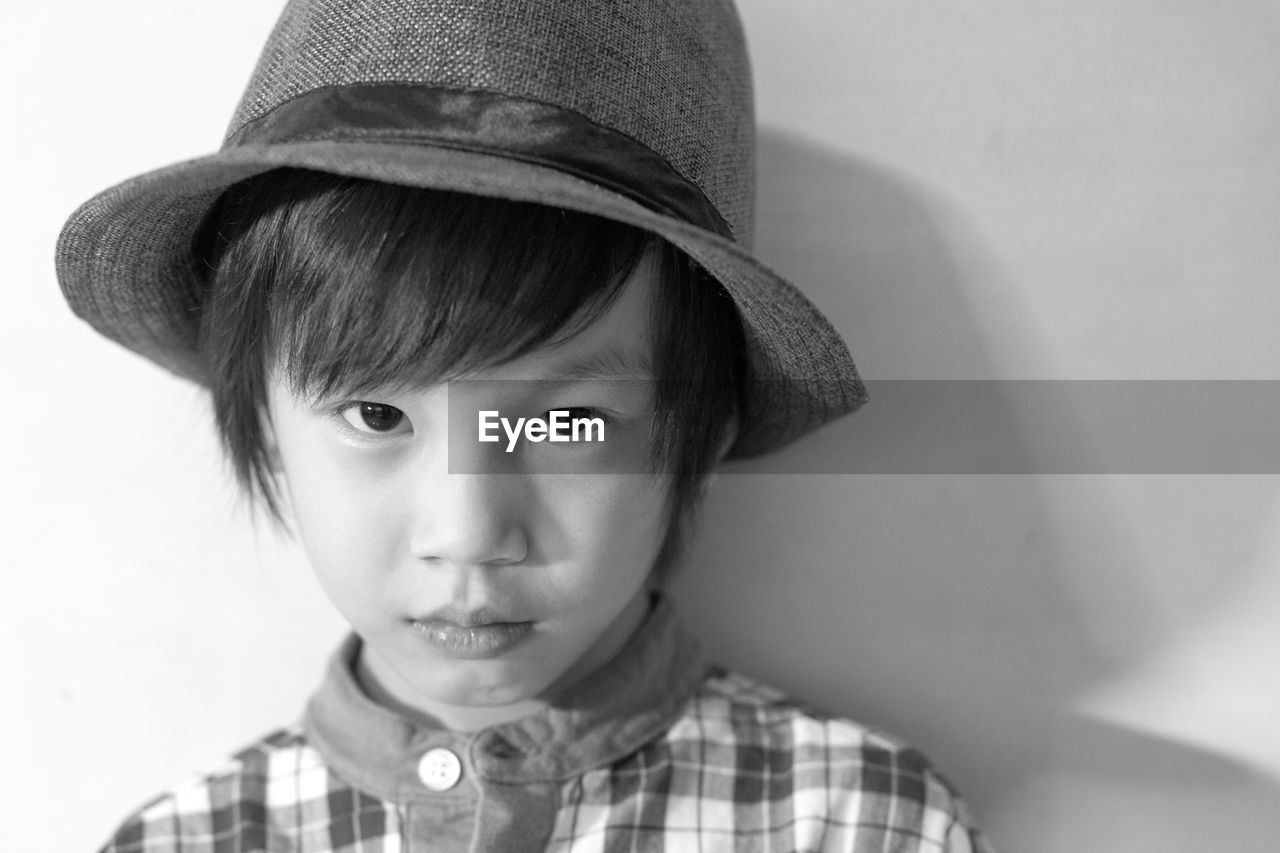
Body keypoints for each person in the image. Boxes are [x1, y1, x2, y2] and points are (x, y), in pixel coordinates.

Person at [56, 0, 993, 850]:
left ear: (695, 437)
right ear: (263, 429)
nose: (468, 534)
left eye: (568, 420)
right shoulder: (186, 842)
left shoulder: (862, 825)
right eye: (377, 413)